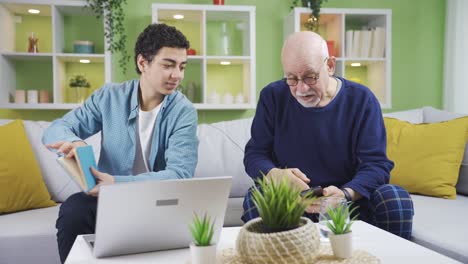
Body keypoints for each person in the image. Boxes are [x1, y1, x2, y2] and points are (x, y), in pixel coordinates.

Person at [42, 23, 198, 263]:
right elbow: (55, 130)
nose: (177, 75)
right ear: (142, 63)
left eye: (181, 66)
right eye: (168, 65)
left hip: (159, 201)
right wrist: (75, 142)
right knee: (73, 210)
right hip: (108, 199)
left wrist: (117, 183)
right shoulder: (109, 97)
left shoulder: (184, 111)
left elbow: (180, 173)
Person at [241, 31, 414, 239]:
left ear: (330, 66)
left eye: (310, 77)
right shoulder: (272, 96)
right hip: (290, 204)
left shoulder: (362, 100)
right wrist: (274, 174)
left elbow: (377, 165)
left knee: (395, 197)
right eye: (292, 79)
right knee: (255, 196)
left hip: (348, 203)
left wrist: (345, 194)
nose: (301, 89)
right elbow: (255, 154)